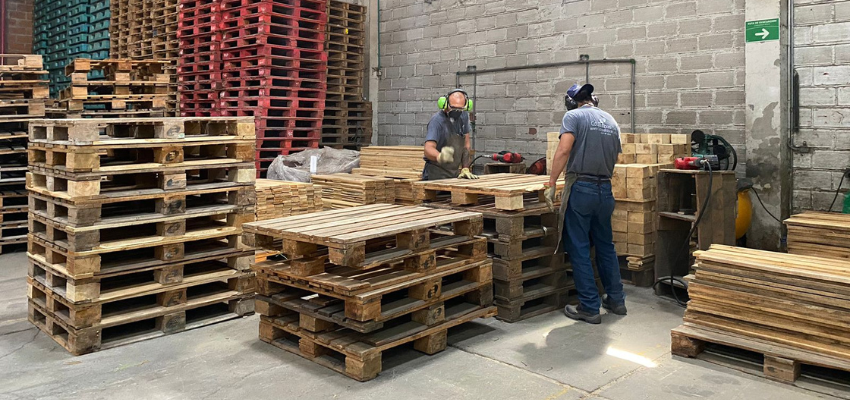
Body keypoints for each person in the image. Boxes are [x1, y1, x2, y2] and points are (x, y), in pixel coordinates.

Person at [544, 83, 627, 325]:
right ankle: (616, 300)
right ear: (594, 99)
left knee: (579, 247)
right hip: (605, 190)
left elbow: (564, 150)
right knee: (605, 245)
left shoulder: (573, 117)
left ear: (570, 102)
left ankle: (589, 307)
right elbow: (615, 155)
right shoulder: (611, 121)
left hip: (581, 188)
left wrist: (551, 182)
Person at [422, 89, 478, 180]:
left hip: (453, 174)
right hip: (435, 174)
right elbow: (428, 149)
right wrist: (440, 156)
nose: (457, 112)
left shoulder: (463, 116)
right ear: (445, 104)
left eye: (460, 109)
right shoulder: (437, 121)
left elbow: (466, 145)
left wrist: (465, 168)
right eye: (453, 108)